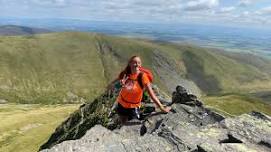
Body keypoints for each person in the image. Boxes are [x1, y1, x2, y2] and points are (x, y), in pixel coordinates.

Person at [107, 55, 171, 124]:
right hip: (121, 104)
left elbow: (152, 95)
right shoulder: (126, 74)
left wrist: (162, 108)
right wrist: (111, 85)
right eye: (135, 62)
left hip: (134, 107)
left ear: (140, 65)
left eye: (139, 63)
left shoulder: (142, 76)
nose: (137, 64)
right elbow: (117, 79)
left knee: (134, 124)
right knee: (124, 123)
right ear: (130, 64)